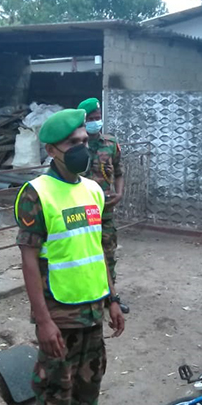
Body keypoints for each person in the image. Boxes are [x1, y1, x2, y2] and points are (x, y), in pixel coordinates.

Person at [15, 108, 126, 405]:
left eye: (85, 141)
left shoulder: (93, 190)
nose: (84, 148)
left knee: (88, 383)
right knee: (55, 389)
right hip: (57, 312)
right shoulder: (36, 194)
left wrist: (112, 299)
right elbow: (29, 261)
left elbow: (96, 251)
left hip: (92, 309)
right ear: (51, 149)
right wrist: (42, 321)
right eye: (74, 143)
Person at [77, 97, 129, 313]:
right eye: (91, 119)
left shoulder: (110, 144)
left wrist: (119, 193)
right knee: (82, 254)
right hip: (81, 211)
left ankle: (111, 297)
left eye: (98, 118)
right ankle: (86, 296)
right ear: (83, 121)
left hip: (105, 210)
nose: (96, 122)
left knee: (108, 253)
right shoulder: (75, 145)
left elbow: (118, 171)